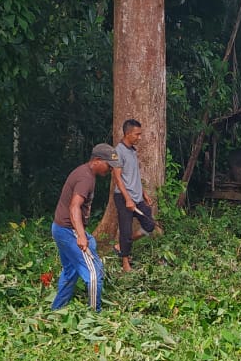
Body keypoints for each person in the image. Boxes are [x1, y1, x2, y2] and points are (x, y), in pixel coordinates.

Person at [51, 144, 119, 312]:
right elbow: (74, 207)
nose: (110, 169)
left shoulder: (85, 173)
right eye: (108, 165)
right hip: (69, 230)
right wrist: (81, 236)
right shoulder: (85, 178)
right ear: (97, 160)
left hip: (60, 228)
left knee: (71, 271)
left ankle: (56, 311)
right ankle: (94, 315)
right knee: (94, 273)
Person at [111, 118, 160, 272]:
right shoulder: (117, 152)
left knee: (149, 224)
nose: (140, 137)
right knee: (125, 230)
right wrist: (128, 199)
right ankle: (126, 263)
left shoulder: (132, 150)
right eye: (137, 134)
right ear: (127, 134)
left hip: (137, 197)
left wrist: (143, 193)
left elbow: (134, 175)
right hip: (123, 198)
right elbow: (117, 178)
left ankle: (122, 245)